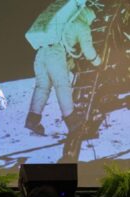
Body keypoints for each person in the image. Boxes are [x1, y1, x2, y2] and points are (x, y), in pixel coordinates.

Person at [25, 6, 101, 135]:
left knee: (42, 87)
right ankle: (71, 119)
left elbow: (68, 49)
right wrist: (98, 63)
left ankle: (32, 118)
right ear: (89, 16)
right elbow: (88, 50)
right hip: (55, 53)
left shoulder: (64, 21)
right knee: (62, 85)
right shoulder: (82, 25)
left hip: (40, 53)